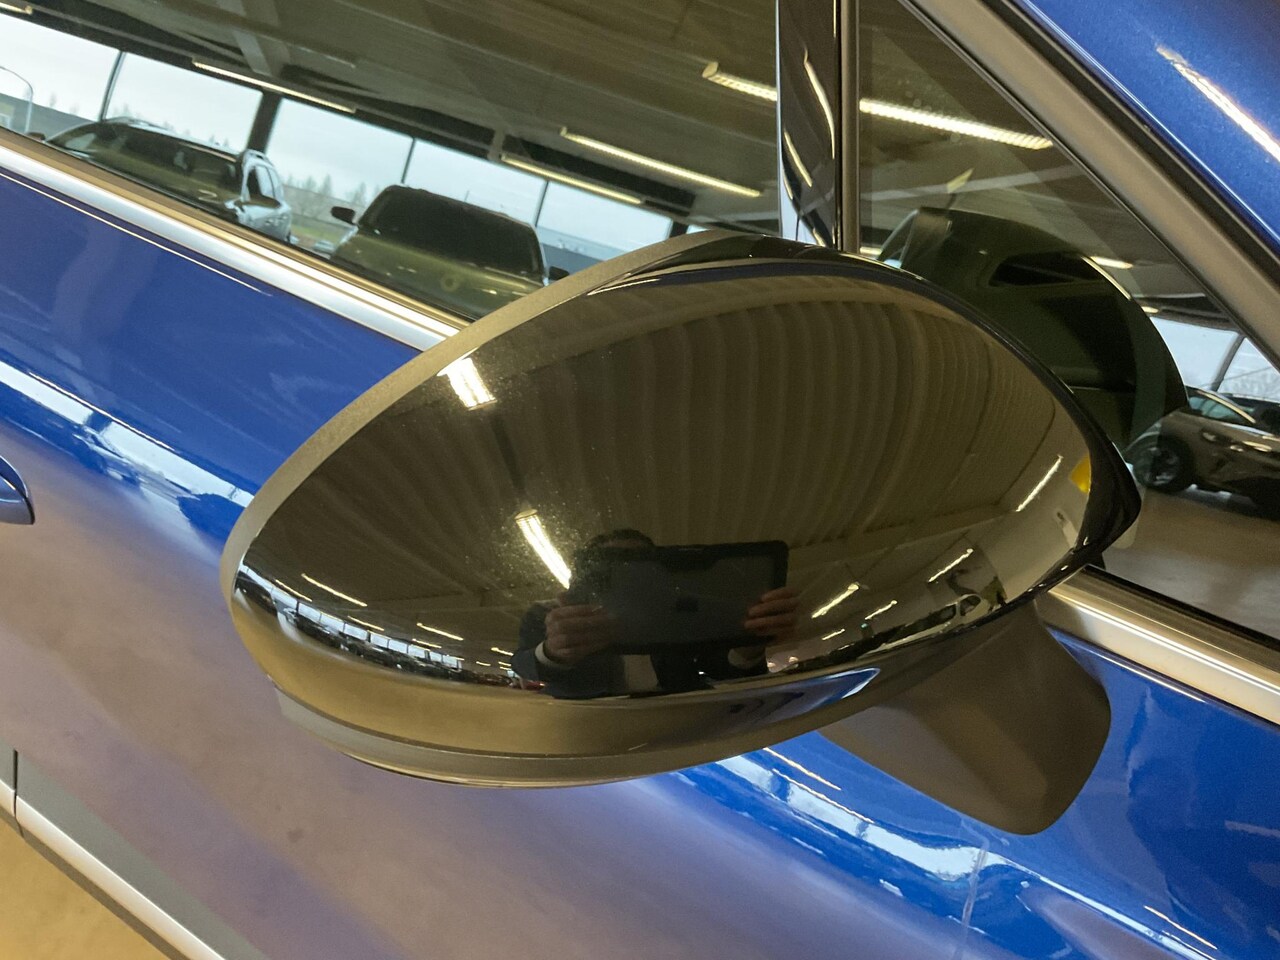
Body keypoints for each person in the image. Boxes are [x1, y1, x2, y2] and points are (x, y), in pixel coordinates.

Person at [513, 530, 799, 698]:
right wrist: (554, 652)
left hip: (680, 718)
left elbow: (720, 671)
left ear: (658, 572)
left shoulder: (684, 610)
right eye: (615, 568)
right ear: (588, 575)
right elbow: (522, 665)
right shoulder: (553, 613)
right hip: (586, 721)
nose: (629, 579)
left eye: (639, 566)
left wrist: (750, 644)